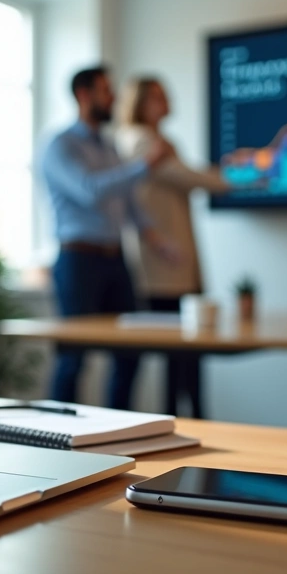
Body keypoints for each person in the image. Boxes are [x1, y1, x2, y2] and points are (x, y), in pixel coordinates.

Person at [41, 65, 174, 410]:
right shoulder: (60, 146)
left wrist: (157, 240)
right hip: (78, 261)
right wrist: (145, 165)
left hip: (115, 259)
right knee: (74, 357)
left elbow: (128, 201)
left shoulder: (110, 146)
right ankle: (59, 442)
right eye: (105, 90)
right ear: (83, 95)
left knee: (130, 351)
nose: (113, 97)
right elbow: (91, 190)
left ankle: (118, 430)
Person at [114, 76, 238, 418]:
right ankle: (186, 425)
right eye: (155, 97)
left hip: (178, 265)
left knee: (186, 359)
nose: (165, 101)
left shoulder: (162, 141)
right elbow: (189, 178)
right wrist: (239, 176)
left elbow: (188, 174)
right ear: (139, 102)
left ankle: (193, 423)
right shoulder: (140, 141)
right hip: (162, 268)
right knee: (178, 356)